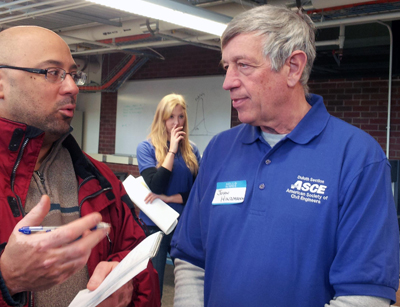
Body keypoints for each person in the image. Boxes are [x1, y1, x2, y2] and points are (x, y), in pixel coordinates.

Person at [170, 5, 399, 307]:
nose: (228, 82)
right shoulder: (219, 149)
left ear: (293, 67)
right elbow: (191, 256)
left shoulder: (357, 158)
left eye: (244, 65)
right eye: (227, 66)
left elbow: (364, 293)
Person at [0, 26, 160, 307]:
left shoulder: (101, 180)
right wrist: (8, 280)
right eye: (52, 72)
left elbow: (138, 260)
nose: (73, 87)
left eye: (74, 75)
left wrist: (128, 286)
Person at [136, 93, 201, 297]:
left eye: (180, 117)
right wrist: (171, 151)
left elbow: (199, 192)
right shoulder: (146, 148)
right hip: (154, 225)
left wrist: (170, 198)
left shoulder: (192, 151)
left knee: (189, 280)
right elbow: (156, 186)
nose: (176, 123)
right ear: (161, 119)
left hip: (183, 224)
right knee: (153, 282)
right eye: (171, 117)